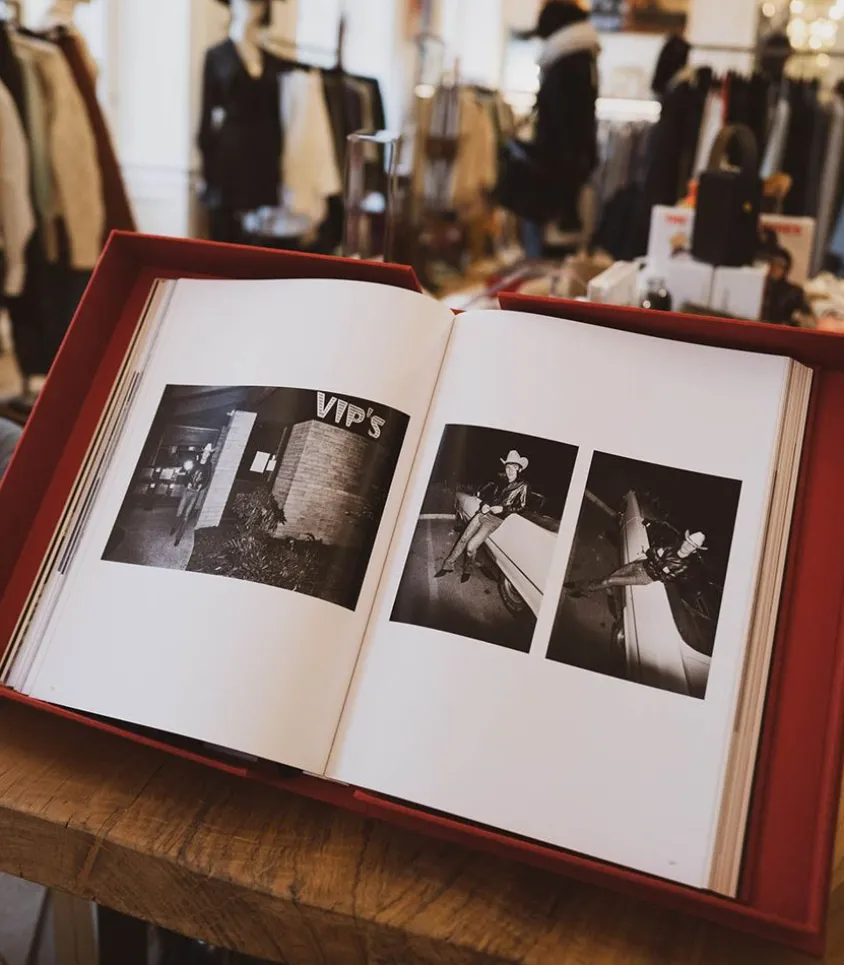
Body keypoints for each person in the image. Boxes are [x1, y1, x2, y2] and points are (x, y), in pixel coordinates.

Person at [519, 1, 600, 257]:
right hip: (565, 177)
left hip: (552, 178)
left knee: (546, 252)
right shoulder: (583, 60)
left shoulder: (566, 65)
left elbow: (561, 129)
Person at [436, 450, 530, 583]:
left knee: (470, 547)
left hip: (495, 520)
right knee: (463, 538)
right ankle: (448, 565)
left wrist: (503, 509)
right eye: (508, 467)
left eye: (513, 467)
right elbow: (489, 497)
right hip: (484, 513)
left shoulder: (523, 486)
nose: (510, 471)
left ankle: (468, 569)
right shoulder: (501, 481)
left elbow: (523, 507)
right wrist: (485, 505)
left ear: (519, 469)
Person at [566, 530, 706, 596]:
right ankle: (588, 587)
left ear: (694, 550)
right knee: (610, 577)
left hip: (644, 577)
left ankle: (580, 587)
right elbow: (651, 551)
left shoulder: (683, 566)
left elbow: (665, 578)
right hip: (639, 564)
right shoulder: (672, 548)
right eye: (687, 541)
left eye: (692, 545)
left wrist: (658, 561)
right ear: (684, 540)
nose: (687, 545)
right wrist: (662, 565)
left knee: (609, 580)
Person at [171, 445, 215, 547]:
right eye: (205, 452)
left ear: (209, 455)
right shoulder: (196, 461)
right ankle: (174, 527)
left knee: (186, 515)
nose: (206, 454)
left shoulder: (208, 465)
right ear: (203, 452)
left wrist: (201, 486)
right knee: (179, 511)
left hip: (195, 492)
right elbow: (187, 474)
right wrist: (187, 483)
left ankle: (178, 538)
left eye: (208, 453)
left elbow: (207, 479)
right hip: (187, 490)